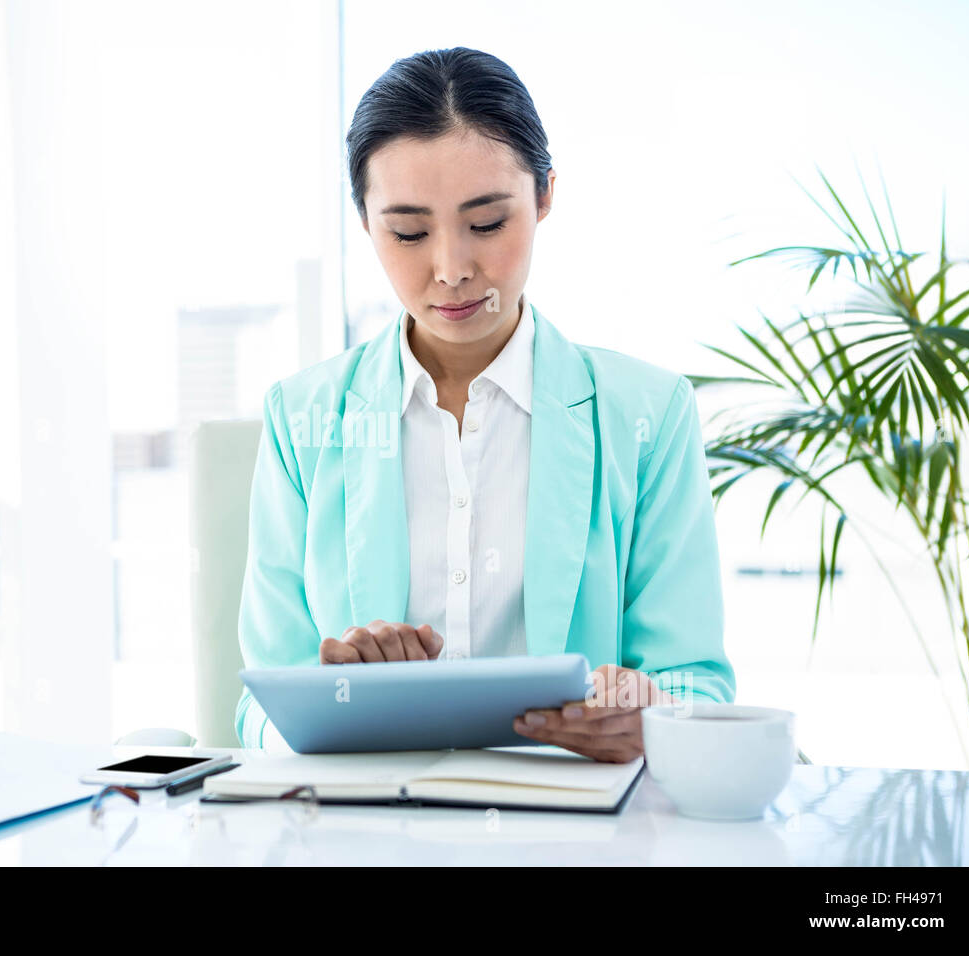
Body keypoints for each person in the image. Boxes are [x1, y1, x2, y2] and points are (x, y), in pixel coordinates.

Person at [235, 46, 735, 760]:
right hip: (372, 831)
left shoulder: (647, 415)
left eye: (488, 223)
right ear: (365, 222)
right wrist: (332, 697)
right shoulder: (300, 418)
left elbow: (697, 684)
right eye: (408, 232)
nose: (451, 269)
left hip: (577, 829)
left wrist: (658, 717)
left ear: (544, 196)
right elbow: (257, 709)